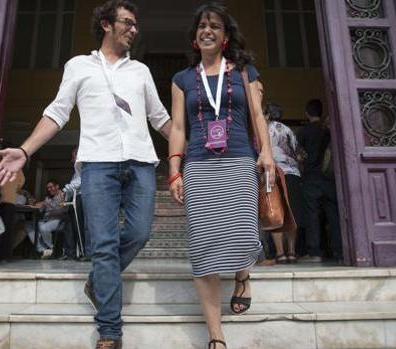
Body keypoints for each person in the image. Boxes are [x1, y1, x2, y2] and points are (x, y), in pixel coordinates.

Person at [0, 1, 171, 347]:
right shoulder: (78, 66)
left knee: (139, 231)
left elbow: (160, 119)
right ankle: (109, 330)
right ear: (106, 24)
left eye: (136, 24)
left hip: (140, 161)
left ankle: (98, 282)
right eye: (127, 23)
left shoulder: (141, 72)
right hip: (98, 163)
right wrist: (26, 150)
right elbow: (57, 113)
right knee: (103, 244)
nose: (134, 29)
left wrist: (188, 146)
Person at [167, 3, 275, 348]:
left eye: (214, 25)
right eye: (201, 25)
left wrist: (267, 152)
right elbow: (179, 127)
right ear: (195, 38)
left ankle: (243, 273)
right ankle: (216, 335)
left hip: (240, 159)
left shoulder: (245, 72)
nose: (206, 30)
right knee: (202, 245)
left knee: (244, 233)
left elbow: (257, 116)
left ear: (225, 37)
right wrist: (174, 170)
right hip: (199, 165)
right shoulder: (183, 79)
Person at [298, 98, 342, 262]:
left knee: (312, 215)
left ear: (307, 113)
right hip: (329, 178)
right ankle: (339, 250)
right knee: (333, 214)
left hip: (311, 178)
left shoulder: (304, 131)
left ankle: (315, 252)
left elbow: (299, 155)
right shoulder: (328, 131)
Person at [262, 102, 303, 264]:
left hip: (272, 174)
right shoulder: (288, 130)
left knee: (274, 212)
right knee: (291, 214)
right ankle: (292, 252)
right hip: (292, 174)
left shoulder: (264, 129)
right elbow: (297, 152)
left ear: (267, 115)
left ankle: (280, 253)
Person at [30, 179, 67, 259]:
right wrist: (36, 204)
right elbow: (40, 206)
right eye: (48, 188)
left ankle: (52, 248)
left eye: (51, 187)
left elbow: (65, 210)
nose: (49, 189)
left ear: (57, 186)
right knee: (29, 227)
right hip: (45, 220)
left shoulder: (63, 195)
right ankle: (43, 249)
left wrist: (51, 212)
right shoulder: (48, 197)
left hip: (57, 219)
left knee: (43, 228)